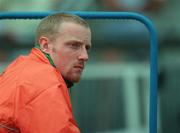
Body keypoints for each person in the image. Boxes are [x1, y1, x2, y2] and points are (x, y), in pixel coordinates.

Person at [0, 13, 92, 133]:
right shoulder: (45, 82)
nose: (85, 56)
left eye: (87, 48)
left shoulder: (22, 67)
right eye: (74, 45)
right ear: (45, 45)